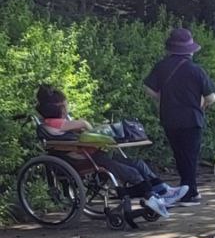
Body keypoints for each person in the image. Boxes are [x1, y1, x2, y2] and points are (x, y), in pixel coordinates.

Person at [35, 84, 188, 219]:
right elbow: (84, 124)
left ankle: (163, 191)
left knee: (138, 164)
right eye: (66, 105)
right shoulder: (54, 124)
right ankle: (151, 197)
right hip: (83, 159)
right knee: (131, 171)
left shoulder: (55, 124)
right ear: (60, 108)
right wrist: (86, 127)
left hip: (90, 155)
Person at [143, 27, 215, 206]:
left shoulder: (161, 67)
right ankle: (189, 193)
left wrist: (162, 97)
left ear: (170, 49)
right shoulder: (196, 70)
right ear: (190, 51)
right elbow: (211, 97)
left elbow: (148, 88)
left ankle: (189, 190)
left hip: (169, 118)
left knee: (180, 155)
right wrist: (202, 104)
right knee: (190, 156)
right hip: (192, 119)